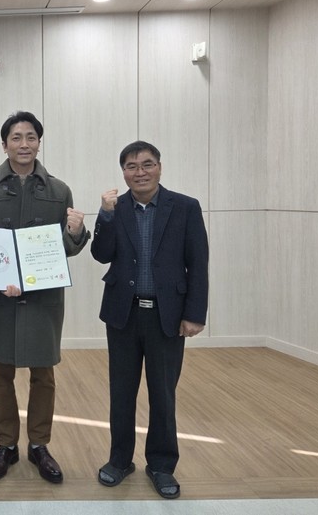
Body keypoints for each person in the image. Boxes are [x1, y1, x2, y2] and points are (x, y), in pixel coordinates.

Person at [0, 111, 90, 484]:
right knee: (0, 374)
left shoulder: (58, 190)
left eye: (31, 137)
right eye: (16, 137)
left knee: (43, 374)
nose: (24, 144)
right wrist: (3, 275)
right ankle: (6, 445)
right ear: (4, 145)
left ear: (39, 142)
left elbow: (65, 247)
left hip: (42, 297)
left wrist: (76, 232)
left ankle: (39, 445)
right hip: (0, 296)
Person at [91, 140, 208, 499]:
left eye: (147, 164)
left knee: (163, 394)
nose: (139, 172)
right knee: (121, 393)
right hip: (123, 314)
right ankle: (119, 460)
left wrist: (194, 314)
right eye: (131, 166)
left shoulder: (185, 207)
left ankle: (161, 465)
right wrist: (105, 216)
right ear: (123, 172)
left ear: (159, 167)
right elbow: (101, 254)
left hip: (167, 316)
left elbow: (198, 264)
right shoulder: (115, 208)